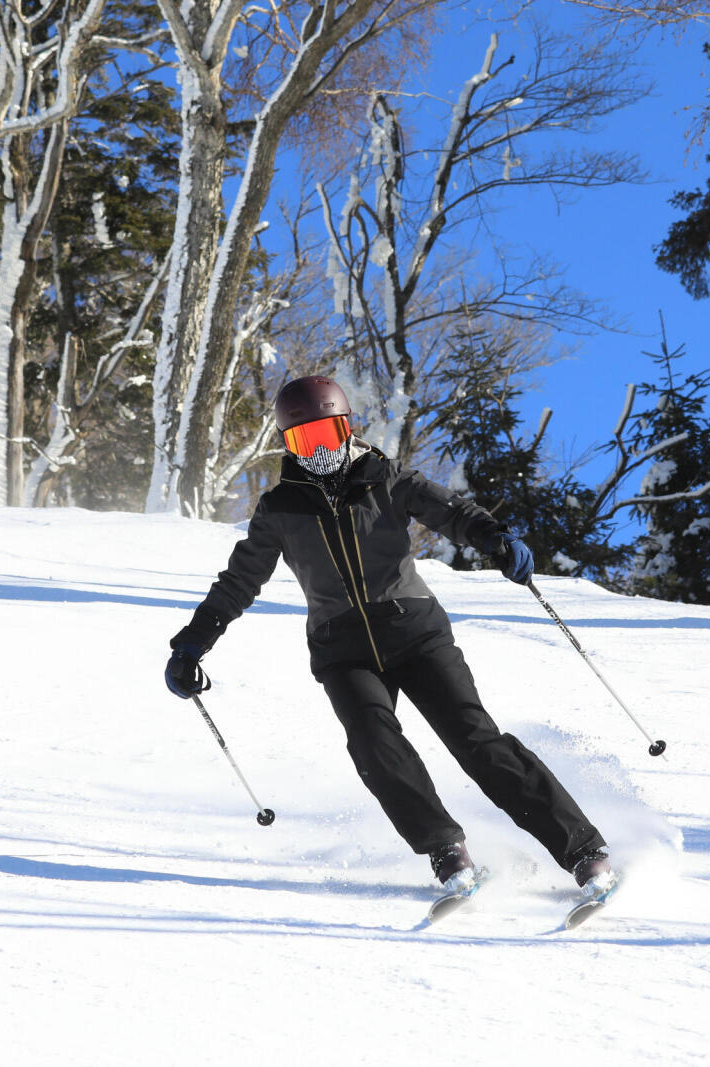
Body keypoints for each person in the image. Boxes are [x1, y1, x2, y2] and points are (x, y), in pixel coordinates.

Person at [163, 375, 613, 898]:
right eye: (303, 441)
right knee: (375, 746)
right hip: (341, 648)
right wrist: (192, 643)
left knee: (476, 742)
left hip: (415, 632)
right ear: (288, 445)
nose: (319, 451)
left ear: (346, 427)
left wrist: (495, 536)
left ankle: (586, 854)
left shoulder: (387, 479)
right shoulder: (280, 509)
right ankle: (448, 853)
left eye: (327, 435)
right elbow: (239, 581)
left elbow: (453, 512)